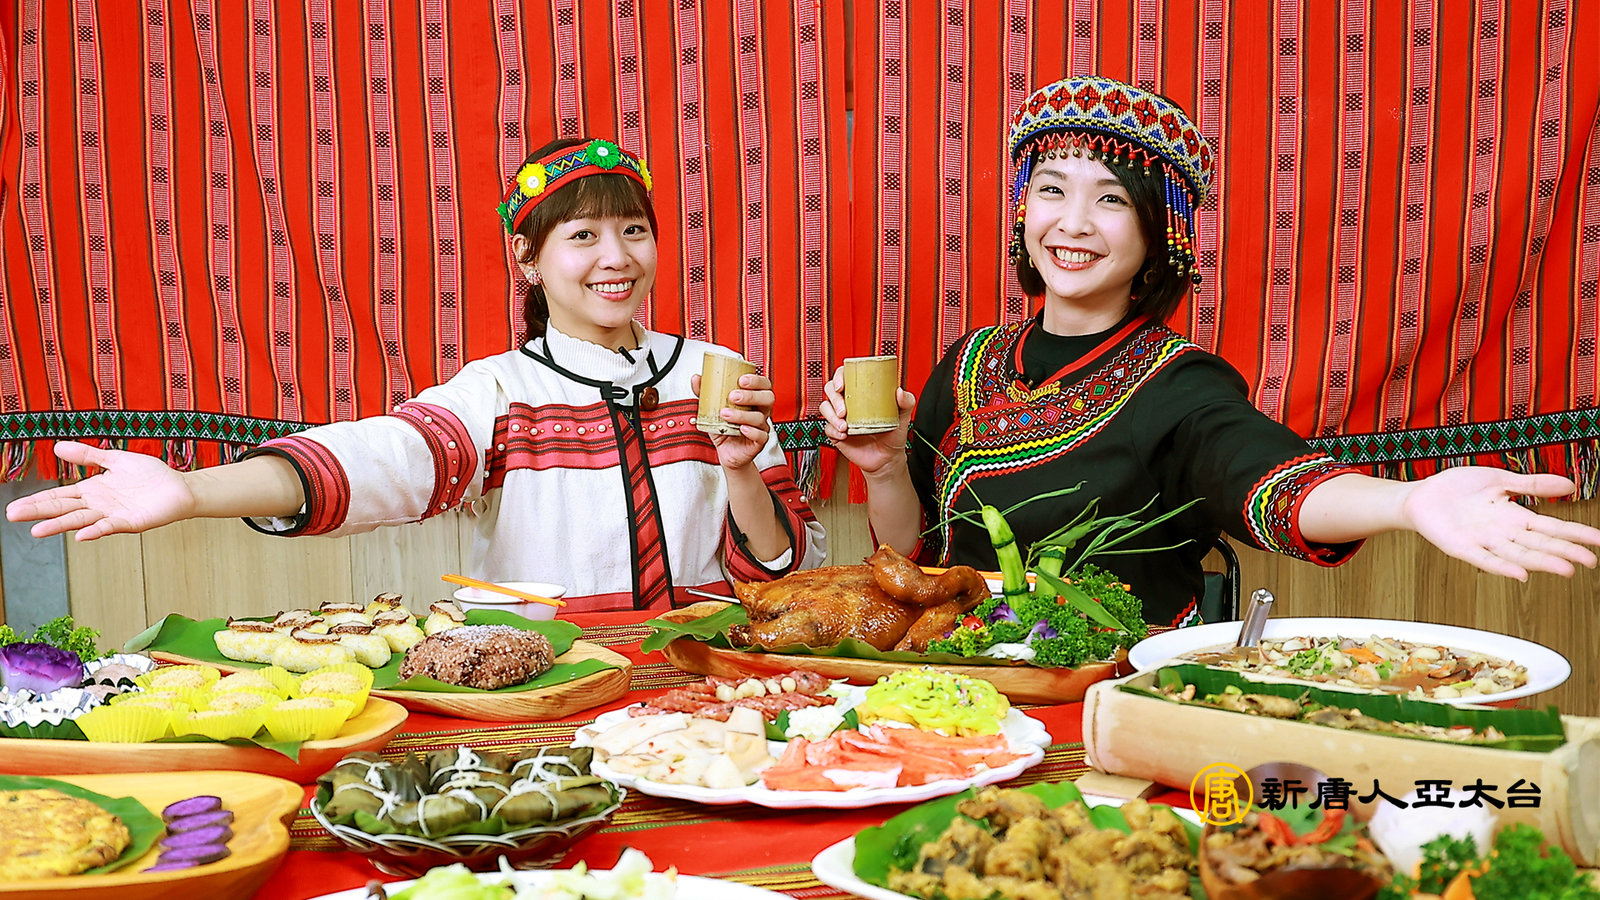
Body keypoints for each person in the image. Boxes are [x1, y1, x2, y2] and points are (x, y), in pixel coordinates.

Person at [819, 75, 1600, 628]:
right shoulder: (970, 361)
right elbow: (912, 554)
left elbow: (1274, 481)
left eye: (1111, 199)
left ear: (1160, 231)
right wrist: (885, 470)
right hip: (949, 687)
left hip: (1114, 698)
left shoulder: (1179, 385)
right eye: (1052, 189)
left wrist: (1405, 504)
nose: (1073, 222)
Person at [8, 136, 826, 611]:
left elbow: (787, 574)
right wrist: (192, 492)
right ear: (528, 258)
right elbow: (383, 460)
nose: (616, 258)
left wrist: (739, 470)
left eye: (634, 230)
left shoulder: (714, 374)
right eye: (582, 236)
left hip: (703, 698)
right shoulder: (500, 392)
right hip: (546, 701)